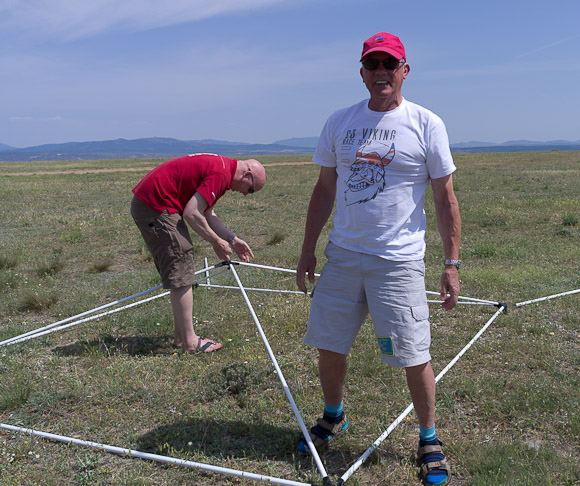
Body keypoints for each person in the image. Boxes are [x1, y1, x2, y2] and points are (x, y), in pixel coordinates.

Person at [296, 32, 460, 486]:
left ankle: (428, 439)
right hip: (343, 257)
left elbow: (445, 198)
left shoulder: (427, 124)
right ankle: (334, 416)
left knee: (413, 354)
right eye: (373, 64)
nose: (381, 72)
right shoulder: (339, 122)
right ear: (362, 73)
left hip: (398, 262)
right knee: (329, 345)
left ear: (405, 70)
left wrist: (451, 263)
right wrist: (307, 250)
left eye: (390, 64)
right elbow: (324, 190)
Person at [131, 153, 266, 353]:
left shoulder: (223, 170)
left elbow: (207, 213)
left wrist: (231, 239)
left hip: (155, 203)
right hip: (155, 205)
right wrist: (216, 242)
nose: (246, 194)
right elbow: (192, 213)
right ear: (247, 175)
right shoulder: (221, 174)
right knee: (181, 263)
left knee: (181, 262)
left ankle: (182, 336)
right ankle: (190, 343)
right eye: (251, 190)